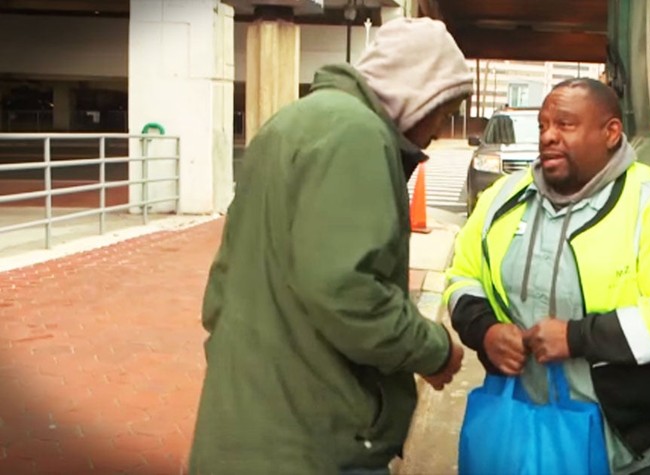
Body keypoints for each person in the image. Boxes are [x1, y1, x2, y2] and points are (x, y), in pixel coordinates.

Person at [188, 17, 470, 475]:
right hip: (314, 442)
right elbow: (347, 291)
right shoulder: (357, 135)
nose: (438, 130)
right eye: (442, 111)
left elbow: (222, 286)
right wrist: (433, 348)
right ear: (421, 94)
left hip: (245, 423)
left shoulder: (293, 121)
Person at [444, 78, 650, 475]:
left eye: (565, 125)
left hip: (633, 453)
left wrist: (577, 337)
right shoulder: (502, 199)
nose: (548, 137)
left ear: (610, 133)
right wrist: (484, 329)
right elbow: (461, 278)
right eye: (543, 126)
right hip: (526, 435)